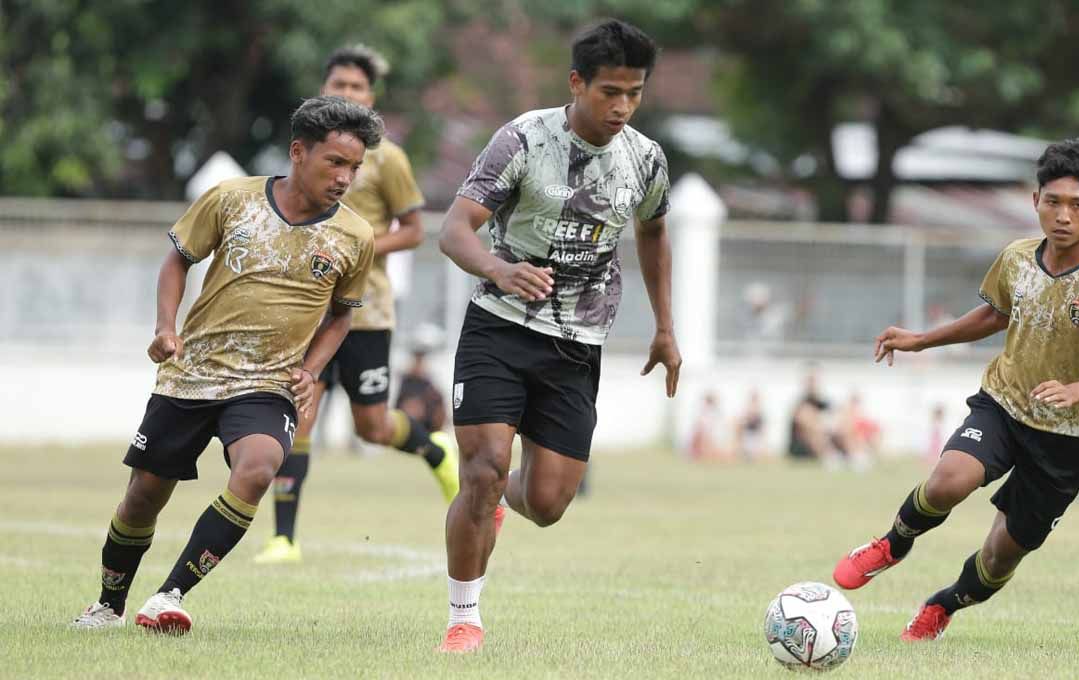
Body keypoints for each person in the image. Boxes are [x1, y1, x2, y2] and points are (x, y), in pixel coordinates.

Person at [71, 96, 383, 633]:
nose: (344, 178)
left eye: (354, 168)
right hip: (191, 375)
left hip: (268, 382)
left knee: (259, 466)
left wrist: (311, 370)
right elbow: (177, 259)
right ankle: (107, 605)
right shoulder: (232, 199)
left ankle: (169, 595)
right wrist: (165, 328)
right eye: (335, 162)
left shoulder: (355, 235)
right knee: (143, 496)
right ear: (298, 151)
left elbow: (341, 316)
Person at [832, 138, 1079, 641]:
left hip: (1067, 438)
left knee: (1001, 557)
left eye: (1077, 205)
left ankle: (944, 603)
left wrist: (1076, 391)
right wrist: (920, 340)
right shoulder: (1017, 258)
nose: (1063, 215)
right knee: (947, 481)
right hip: (1003, 405)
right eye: (1053, 202)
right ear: (1036, 202)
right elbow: (992, 316)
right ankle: (892, 544)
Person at [436, 19, 679, 652]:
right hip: (498, 326)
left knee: (545, 503)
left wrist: (665, 328)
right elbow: (456, 228)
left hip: (578, 343)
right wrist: (500, 269)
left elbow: (654, 232)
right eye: (609, 92)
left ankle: (495, 501)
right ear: (576, 83)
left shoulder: (646, 158)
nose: (622, 106)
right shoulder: (521, 139)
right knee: (484, 467)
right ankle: (464, 617)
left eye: (634, 92)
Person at [255, 46, 459, 566]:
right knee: (299, 413)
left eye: (356, 88)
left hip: (366, 313)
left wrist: (359, 246)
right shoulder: (306, 150)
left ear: (372, 98)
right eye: (338, 84)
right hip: (310, 311)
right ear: (323, 89)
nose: (346, 94)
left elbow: (414, 230)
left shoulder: (388, 159)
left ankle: (436, 450)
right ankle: (284, 538)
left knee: (372, 427)